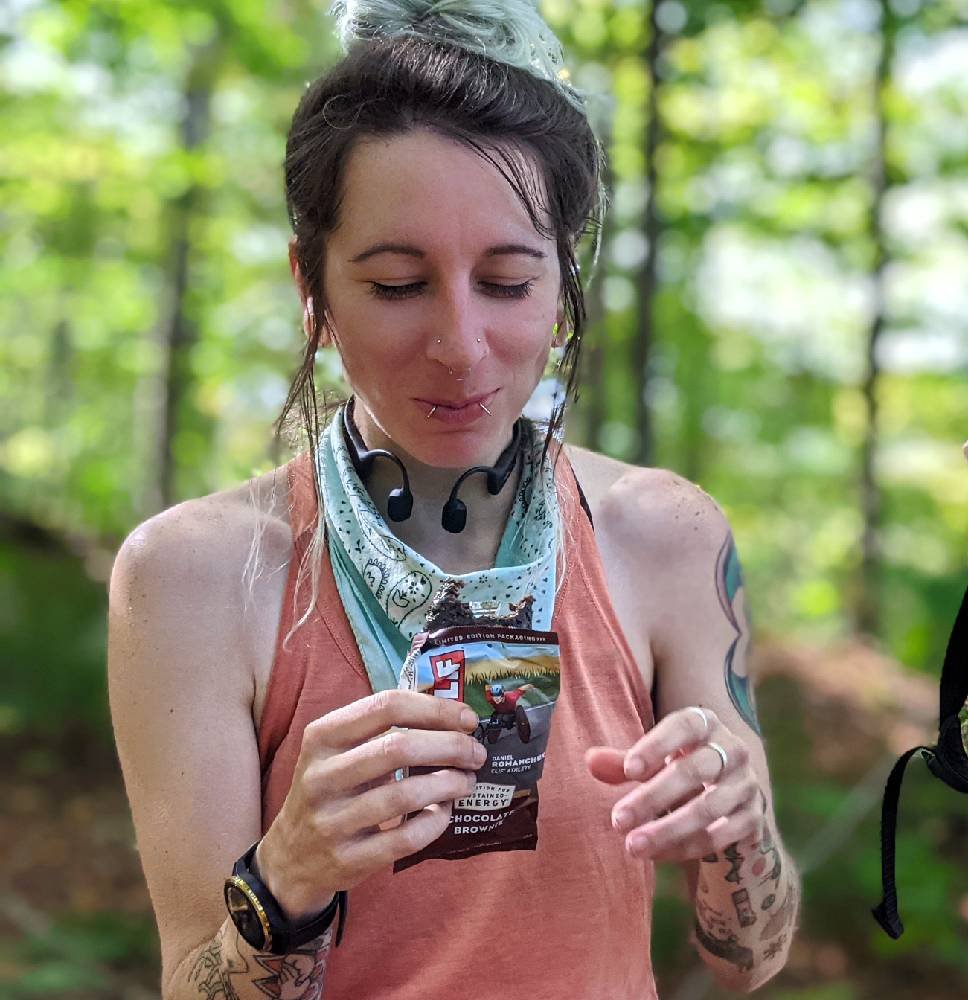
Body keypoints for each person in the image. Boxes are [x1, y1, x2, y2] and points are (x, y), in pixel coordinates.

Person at [106, 2, 799, 996]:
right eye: (397, 284)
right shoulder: (193, 576)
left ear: (565, 282)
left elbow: (750, 956)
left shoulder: (667, 535)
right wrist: (288, 871)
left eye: (509, 282)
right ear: (315, 288)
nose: (461, 345)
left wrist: (738, 829)